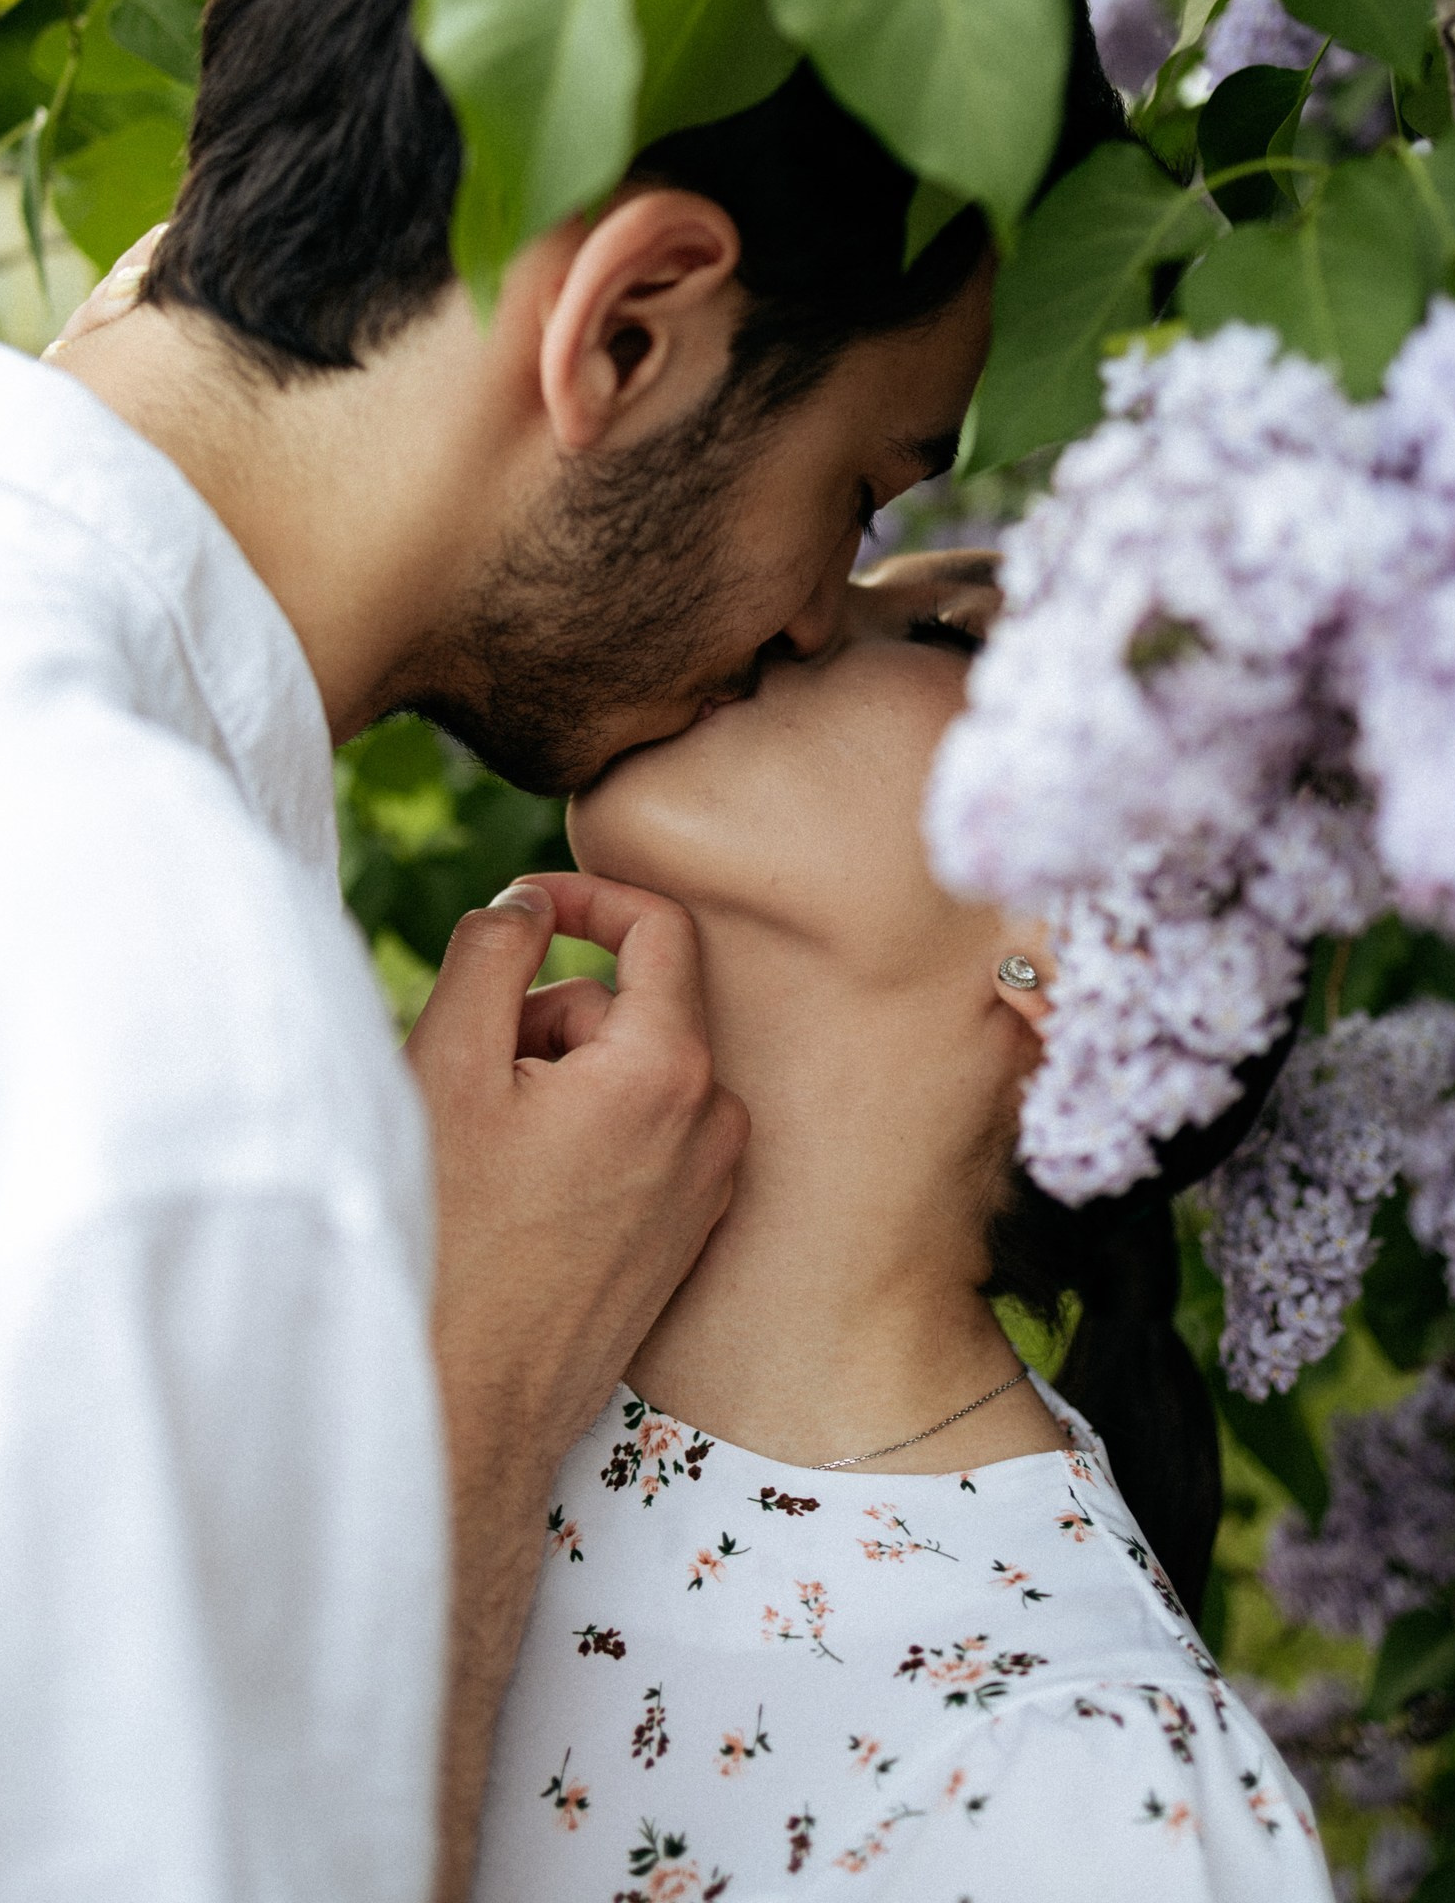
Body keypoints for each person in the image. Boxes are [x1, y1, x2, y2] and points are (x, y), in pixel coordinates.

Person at [0, 0, 1124, 1901]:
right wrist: (479, 1383)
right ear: (631, 327)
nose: (804, 615)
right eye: (858, 483)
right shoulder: (158, 1042)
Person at [470, 553, 1336, 1903]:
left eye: (939, 629)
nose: (801, 599)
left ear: (1085, 947)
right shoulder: (433, 1357)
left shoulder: (1084, 1788)